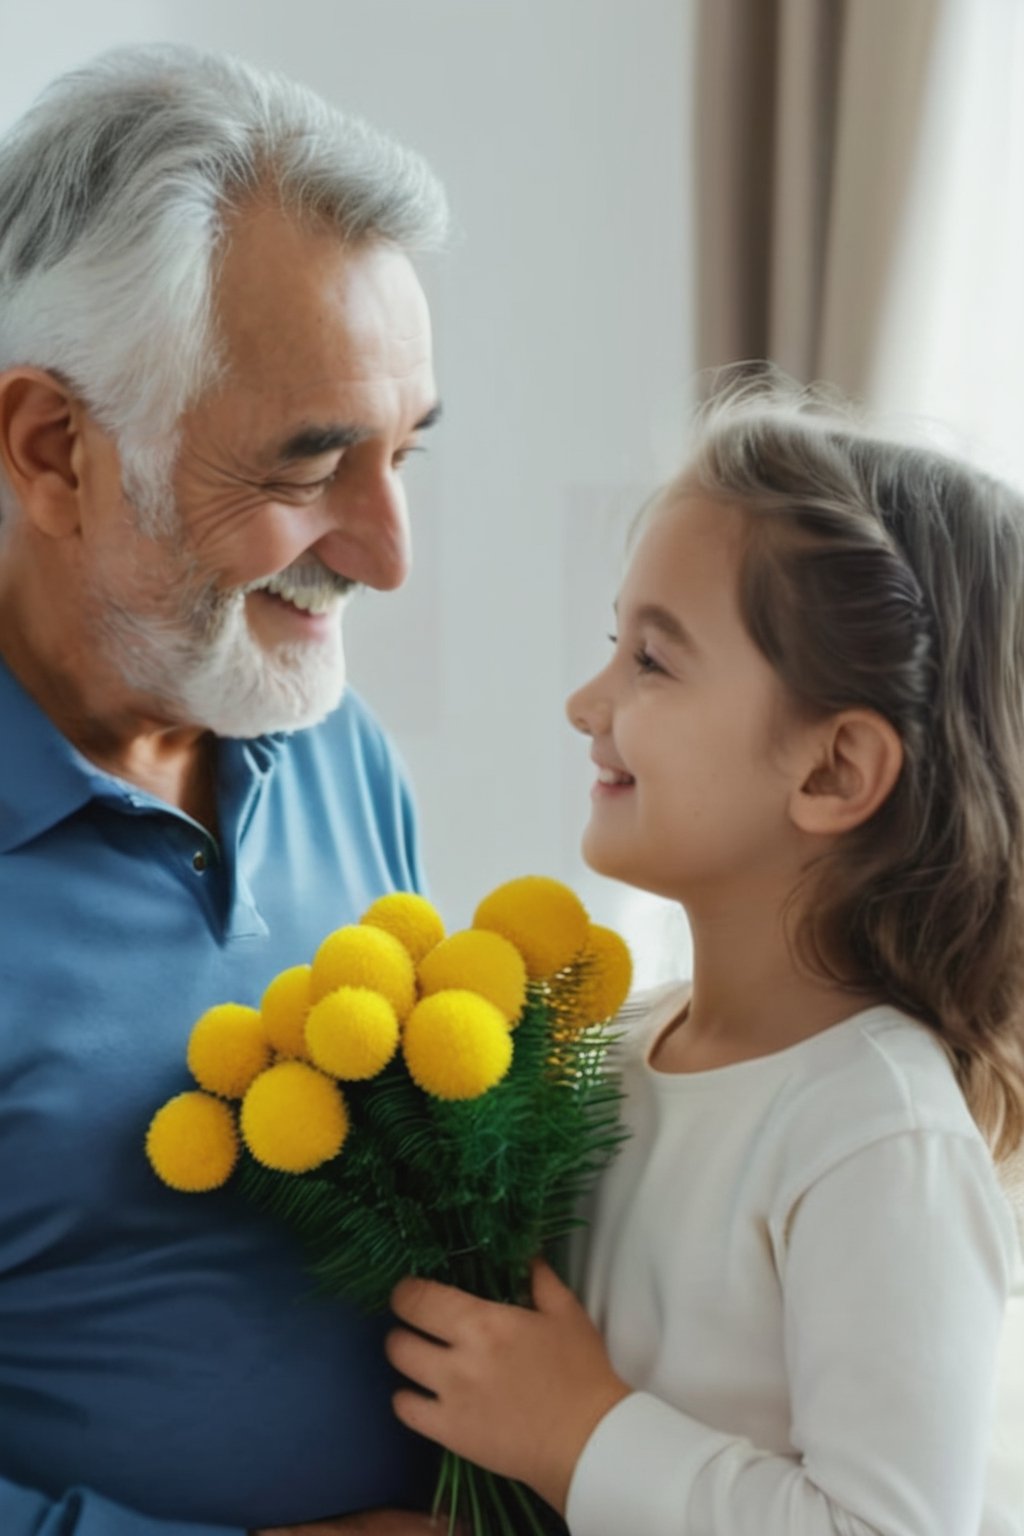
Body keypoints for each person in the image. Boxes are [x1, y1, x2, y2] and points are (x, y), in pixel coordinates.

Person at [386, 377, 1024, 1534]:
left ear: (832, 772)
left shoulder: (875, 1135)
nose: (588, 703)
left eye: (653, 661)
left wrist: (578, 1436)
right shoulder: (620, 1052)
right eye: (611, 647)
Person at [0, 42, 452, 1536]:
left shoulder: (339, 748)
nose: (388, 553)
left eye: (406, 455)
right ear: (55, 449)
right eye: (312, 465)